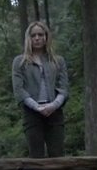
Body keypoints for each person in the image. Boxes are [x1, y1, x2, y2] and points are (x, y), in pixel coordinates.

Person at [11, 21, 69, 158]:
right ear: (28, 38)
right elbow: (19, 90)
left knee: (57, 155)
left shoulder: (58, 61)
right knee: (36, 155)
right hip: (31, 113)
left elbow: (63, 88)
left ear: (46, 37)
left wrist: (54, 105)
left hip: (54, 112)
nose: (37, 38)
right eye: (33, 35)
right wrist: (37, 107)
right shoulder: (20, 62)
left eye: (40, 35)